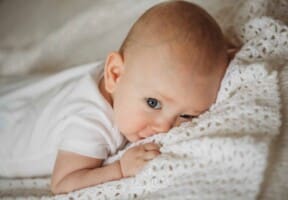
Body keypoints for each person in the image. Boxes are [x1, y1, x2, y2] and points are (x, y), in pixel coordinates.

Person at [0, 0, 232, 194]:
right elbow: (62, 183)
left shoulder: (132, 77)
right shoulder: (89, 123)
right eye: (153, 103)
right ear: (114, 74)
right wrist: (120, 169)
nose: (164, 128)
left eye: (186, 115)